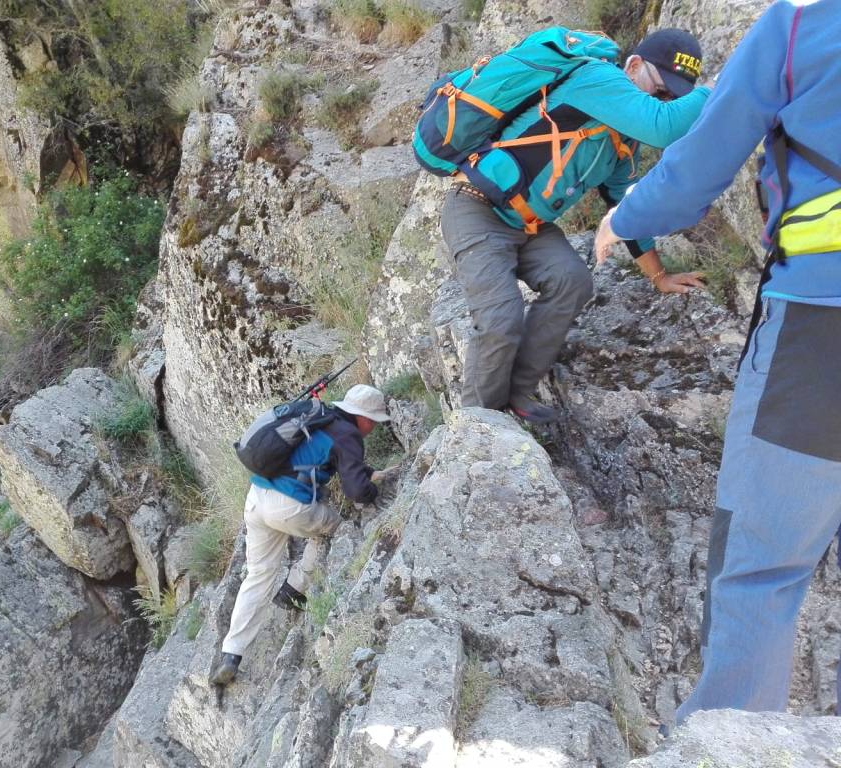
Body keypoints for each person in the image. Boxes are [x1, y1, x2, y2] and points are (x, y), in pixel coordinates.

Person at [594, 0, 841, 724]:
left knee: (761, 564)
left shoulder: (802, 25)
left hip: (821, 322)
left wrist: (625, 217)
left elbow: (702, 160)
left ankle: (728, 743)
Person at [441, 29, 709, 423]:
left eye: (672, 97)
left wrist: (659, 277)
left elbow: (625, 209)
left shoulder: (623, 143)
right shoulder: (598, 78)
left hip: (530, 225)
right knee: (499, 319)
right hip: (477, 208)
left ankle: (519, 394)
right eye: (661, 88)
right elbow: (664, 127)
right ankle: (478, 430)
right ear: (634, 65)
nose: (661, 99)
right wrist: (724, 87)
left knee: (573, 281)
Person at [211, 384, 396, 685]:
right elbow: (356, 491)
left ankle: (231, 654)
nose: (372, 428)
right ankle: (293, 589)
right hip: (289, 507)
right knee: (337, 533)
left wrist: (366, 471)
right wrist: (373, 490)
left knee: (258, 574)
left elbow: (326, 457)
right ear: (362, 417)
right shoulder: (349, 435)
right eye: (373, 422)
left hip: (256, 498)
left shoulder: (320, 418)